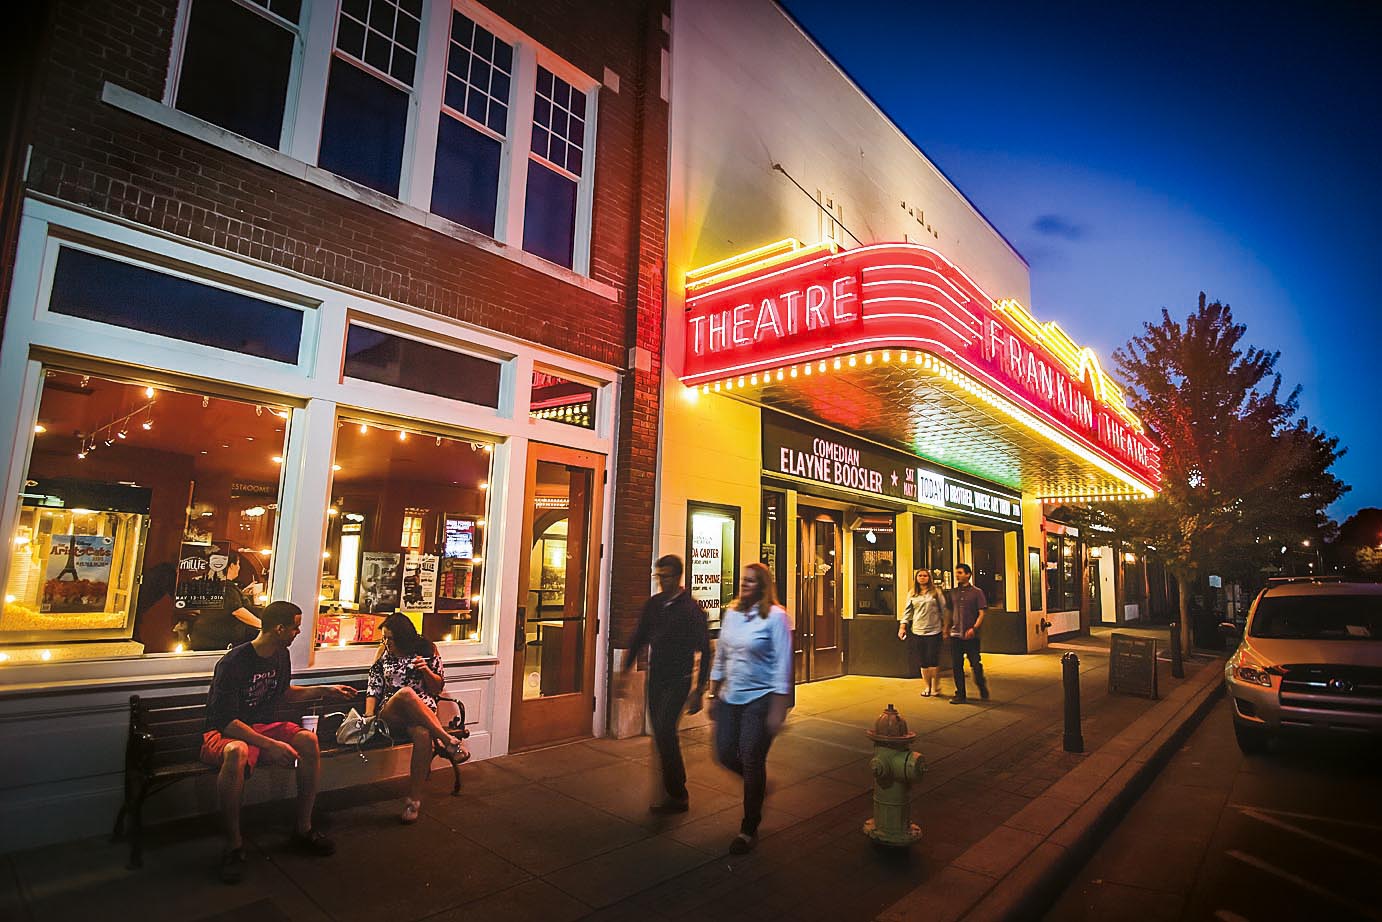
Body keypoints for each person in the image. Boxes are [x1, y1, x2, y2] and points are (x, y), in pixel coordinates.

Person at [200, 600, 356, 884]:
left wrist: (326, 690)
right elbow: (226, 722)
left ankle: (303, 828)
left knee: (308, 741)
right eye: (295, 626)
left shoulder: (280, 656)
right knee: (236, 751)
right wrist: (270, 744)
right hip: (227, 732)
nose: (298, 632)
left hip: (262, 725)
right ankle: (234, 845)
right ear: (280, 628)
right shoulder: (233, 662)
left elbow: (283, 693)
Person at [709, 562, 792, 854]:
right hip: (731, 697)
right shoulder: (731, 614)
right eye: (743, 580)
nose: (744, 584)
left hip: (761, 698)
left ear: (763, 585)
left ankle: (748, 827)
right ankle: (757, 787)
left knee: (752, 758)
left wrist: (778, 708)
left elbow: (783, 664)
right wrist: (713, 690)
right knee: (723, 753)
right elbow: (721, 653)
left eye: (751, 581)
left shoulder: (776, 618)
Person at [621, 554, 712, 814]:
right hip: (656, 678)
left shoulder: (691, 610)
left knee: (663, 731)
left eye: (667, 576)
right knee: (660, 734)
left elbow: (705, 651)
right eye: (659, 576)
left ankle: (678, 793)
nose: (662, 581)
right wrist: (625, 672)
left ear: (678, 577)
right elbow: (639, 637)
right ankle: (671, 789)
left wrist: (699, 690)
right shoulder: (654, 605)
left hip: (679, 680)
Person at [364, 613, 469, 824]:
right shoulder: (383, 653)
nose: (386, 642)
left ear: (403, 638)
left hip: (422, 715)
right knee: (406, 694)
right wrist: (368, 716)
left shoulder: (427, 650)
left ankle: (414, 801)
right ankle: (448, 741)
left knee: (422, 735)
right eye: (384, 638)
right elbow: (373, 686)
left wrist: (426, 671)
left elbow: (437, 687)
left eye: (390, 639)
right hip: (391, 713)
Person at [190, 551, 263, 651]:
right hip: (218, 642)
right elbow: (237, 611)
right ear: (232, 565)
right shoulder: (226, 587)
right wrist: (263, 626)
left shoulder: (214, 585)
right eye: (238, 564)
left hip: (205, 639)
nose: (239, 567)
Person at [898, 568, 948, 697]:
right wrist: (902, 627)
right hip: (918, 630)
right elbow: (907, 612)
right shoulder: (912, 593)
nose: (922, 578)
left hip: (934, 630)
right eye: (920, 575)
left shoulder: (936, 593)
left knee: (933, 659)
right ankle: (927, 686)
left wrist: (945, 627)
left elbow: (944, 611)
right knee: (923, 661)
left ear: (929, 578)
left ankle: (935, 687)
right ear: (916, 578)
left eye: (925, 575)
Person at [947, 563, 990, 704]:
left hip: (971, 635)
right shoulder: (953, 592)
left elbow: (982, 613)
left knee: (975, 664)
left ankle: (981, 685)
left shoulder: (977, 592)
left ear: (968, 574)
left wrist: (974, 628)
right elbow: (949, 612)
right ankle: (960, 694)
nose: (957, 575)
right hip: (955, 635)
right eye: (956, 572)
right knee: (956, 665)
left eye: (960, 572)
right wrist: (946, 628)